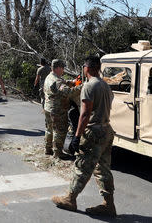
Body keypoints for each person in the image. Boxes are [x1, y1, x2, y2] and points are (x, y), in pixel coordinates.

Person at [52, 56, 116, 217]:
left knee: (82, 166)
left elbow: (85, 113)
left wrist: (77, 136)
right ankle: (109, 204)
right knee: (103, 168)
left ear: (86, 68)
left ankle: (70, 199)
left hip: (93, 132)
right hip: (106, 130)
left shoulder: (89, 86)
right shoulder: (105, 85)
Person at [43, 59, 82, 160]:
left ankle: (48, 149)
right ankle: (58, 152)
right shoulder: (57, 80)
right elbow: (69, 92)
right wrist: (82, 87)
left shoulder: (50, 77)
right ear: (58, 68)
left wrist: (72, 82)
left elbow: (62, 83)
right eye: (62, 68)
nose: (63, 70)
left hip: (48, 108)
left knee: (49, 129)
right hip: (57, 110)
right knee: (59, 131)